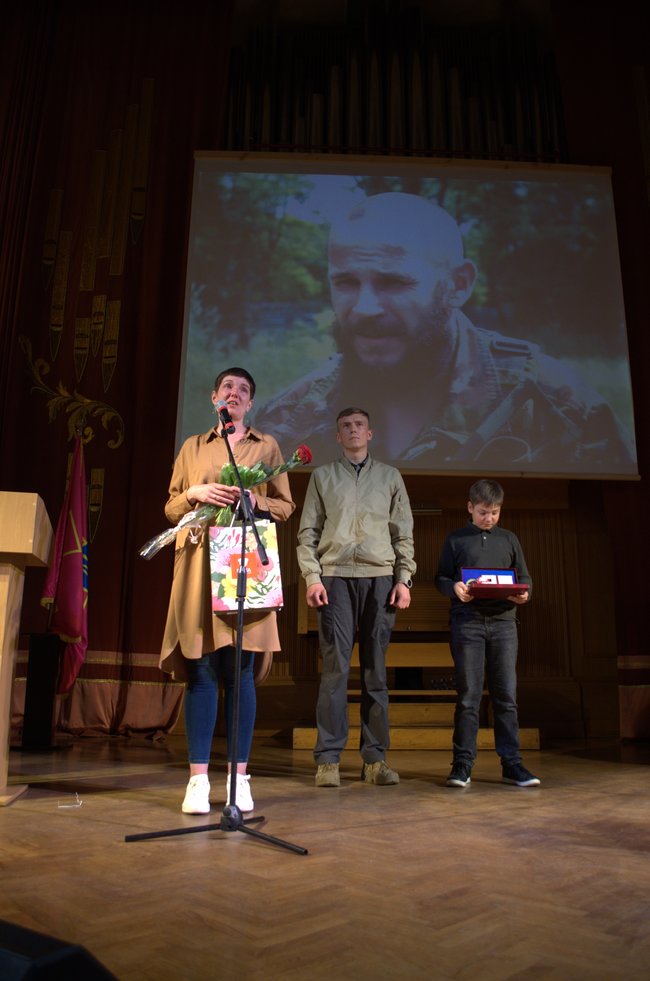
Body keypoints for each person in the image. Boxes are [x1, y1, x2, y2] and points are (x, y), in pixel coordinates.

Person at [254, 191, 635, 472]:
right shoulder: (292, 415)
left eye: (393, 282)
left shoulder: (559, 405)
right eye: (347, 282)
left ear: (458, 284)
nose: (365, 308)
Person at [159, 367, 295, 815]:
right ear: (213, 396)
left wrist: (257, 501)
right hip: (200, 563)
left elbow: (285, 506)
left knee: (239, 673)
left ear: (250, 404)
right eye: (228, 388)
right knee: (201, 672)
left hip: (243, 564)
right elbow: (171, 505)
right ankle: (198, 780)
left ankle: (239, 778)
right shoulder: (193, 447)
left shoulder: (266, 446)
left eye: (243, 391)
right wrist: (196, 491)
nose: (234, 394)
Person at [297, 407, 416, 787]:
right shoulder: (322, 477)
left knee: (375, 673)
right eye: (346, 426)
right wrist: (312, 578)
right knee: (334, 672)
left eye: (359, 425)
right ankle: (328, 760)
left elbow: (404, 535)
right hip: (334, 581)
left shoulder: (390, 477)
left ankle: (374, 760)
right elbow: (307, 534)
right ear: (338, 436)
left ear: (370, 433)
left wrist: (404, 580)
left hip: (380, 580)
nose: (353, 430)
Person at [434, 478, 539, 788]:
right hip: (467, 623)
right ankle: (462, 765)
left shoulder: (509, 539)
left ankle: (512, 764)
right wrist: (454, 588)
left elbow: (525, 578)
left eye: (494, 513)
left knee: (506, 696)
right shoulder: (456, 540)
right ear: (470, 507)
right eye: (483, 512)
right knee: (468, 697)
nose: (489, 518)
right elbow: (440, 577)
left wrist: (525, 593)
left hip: (505, 624)